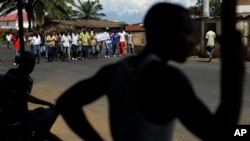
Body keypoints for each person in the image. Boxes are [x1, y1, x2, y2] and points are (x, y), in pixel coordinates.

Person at [56, 3, 242, 141]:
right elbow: (219, 133)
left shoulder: (114, 70)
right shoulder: (167, 79)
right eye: (186, 32)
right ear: (165, 33)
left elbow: (66, 102)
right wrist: (235, 68)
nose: (192, 41)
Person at [0, 51, 59, 141]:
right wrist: (34, 112)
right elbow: (20, 109)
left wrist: (47, 103)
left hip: (3, 118)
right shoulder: (26, 80)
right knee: (52, 113)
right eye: (32, 63)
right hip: (15, 123)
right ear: (29, 65)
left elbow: (25, 97)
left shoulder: (10, 73)